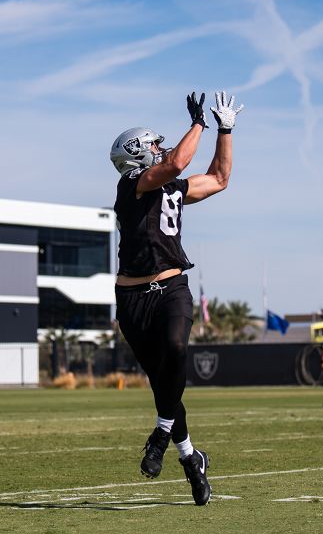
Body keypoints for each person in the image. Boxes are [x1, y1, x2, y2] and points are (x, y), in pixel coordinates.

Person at [109, 90, 243, 507]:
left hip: (171, 288)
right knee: (163, 384)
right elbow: (178, 162)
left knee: (175, 348)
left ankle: (161, 434)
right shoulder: (133, 183)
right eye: (151, 144)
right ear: (136, 154)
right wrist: (198, 123)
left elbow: (219, 178)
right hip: (132, 299)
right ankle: (190, 459)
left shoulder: (169, 186)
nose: (159, 148)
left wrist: (225, 129)